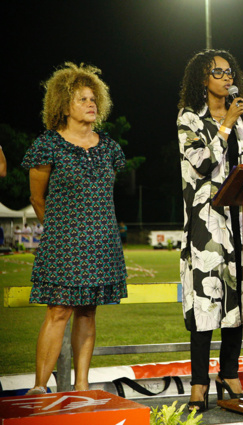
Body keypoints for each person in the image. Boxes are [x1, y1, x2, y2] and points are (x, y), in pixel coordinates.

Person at [21, 62, 127, 395]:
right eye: (82, 99)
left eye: (93, 98)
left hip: (102, 244)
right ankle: (39, 387)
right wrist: (60, 232)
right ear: (64, 106)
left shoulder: (109, 148)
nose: (91, 103)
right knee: (59, 311)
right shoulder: (47, 145)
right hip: (64, 244)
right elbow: (37, 199)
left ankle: (81, 386)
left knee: (87, 311)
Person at [177, 49, 243, 412]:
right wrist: (225, 122)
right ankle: (199, 384)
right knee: (205, 301)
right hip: (207, 223)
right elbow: (201, 164)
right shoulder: (189, 119)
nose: (227, 78)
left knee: (238, 302)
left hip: (242, 219)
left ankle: (229, 374)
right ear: (202, 79)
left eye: (230, 73)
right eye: (218, 73)